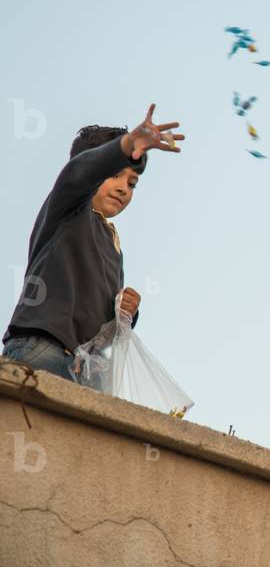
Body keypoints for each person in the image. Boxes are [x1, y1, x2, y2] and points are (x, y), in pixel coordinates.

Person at [2, 104, 184, 381]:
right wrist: (127, 145)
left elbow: (101, 329)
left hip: (85, 365)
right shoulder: (69, 206)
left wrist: (125, 313)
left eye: (132, 183)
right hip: (43, 347)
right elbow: (81, 173)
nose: (124, 187)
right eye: (114, 175)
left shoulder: (112, 243)